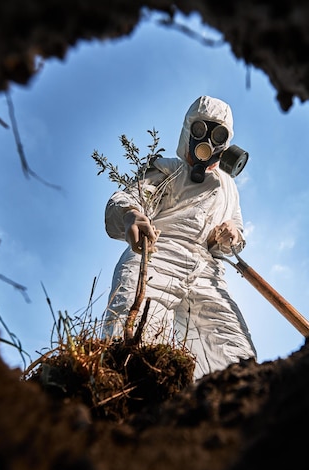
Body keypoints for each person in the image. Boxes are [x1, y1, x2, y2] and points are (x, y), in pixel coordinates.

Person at [102, 95, 257, 381]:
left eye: (218, 134)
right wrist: (131, 216)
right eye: (201, 130)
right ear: (188, 130)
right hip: (157, 253)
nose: (208, 141)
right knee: (133, 340)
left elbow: (237, 234)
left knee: (234, 351)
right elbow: (130, 198)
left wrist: (231, 236)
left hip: (207, 271)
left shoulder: (229, 188)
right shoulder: (167, 169)